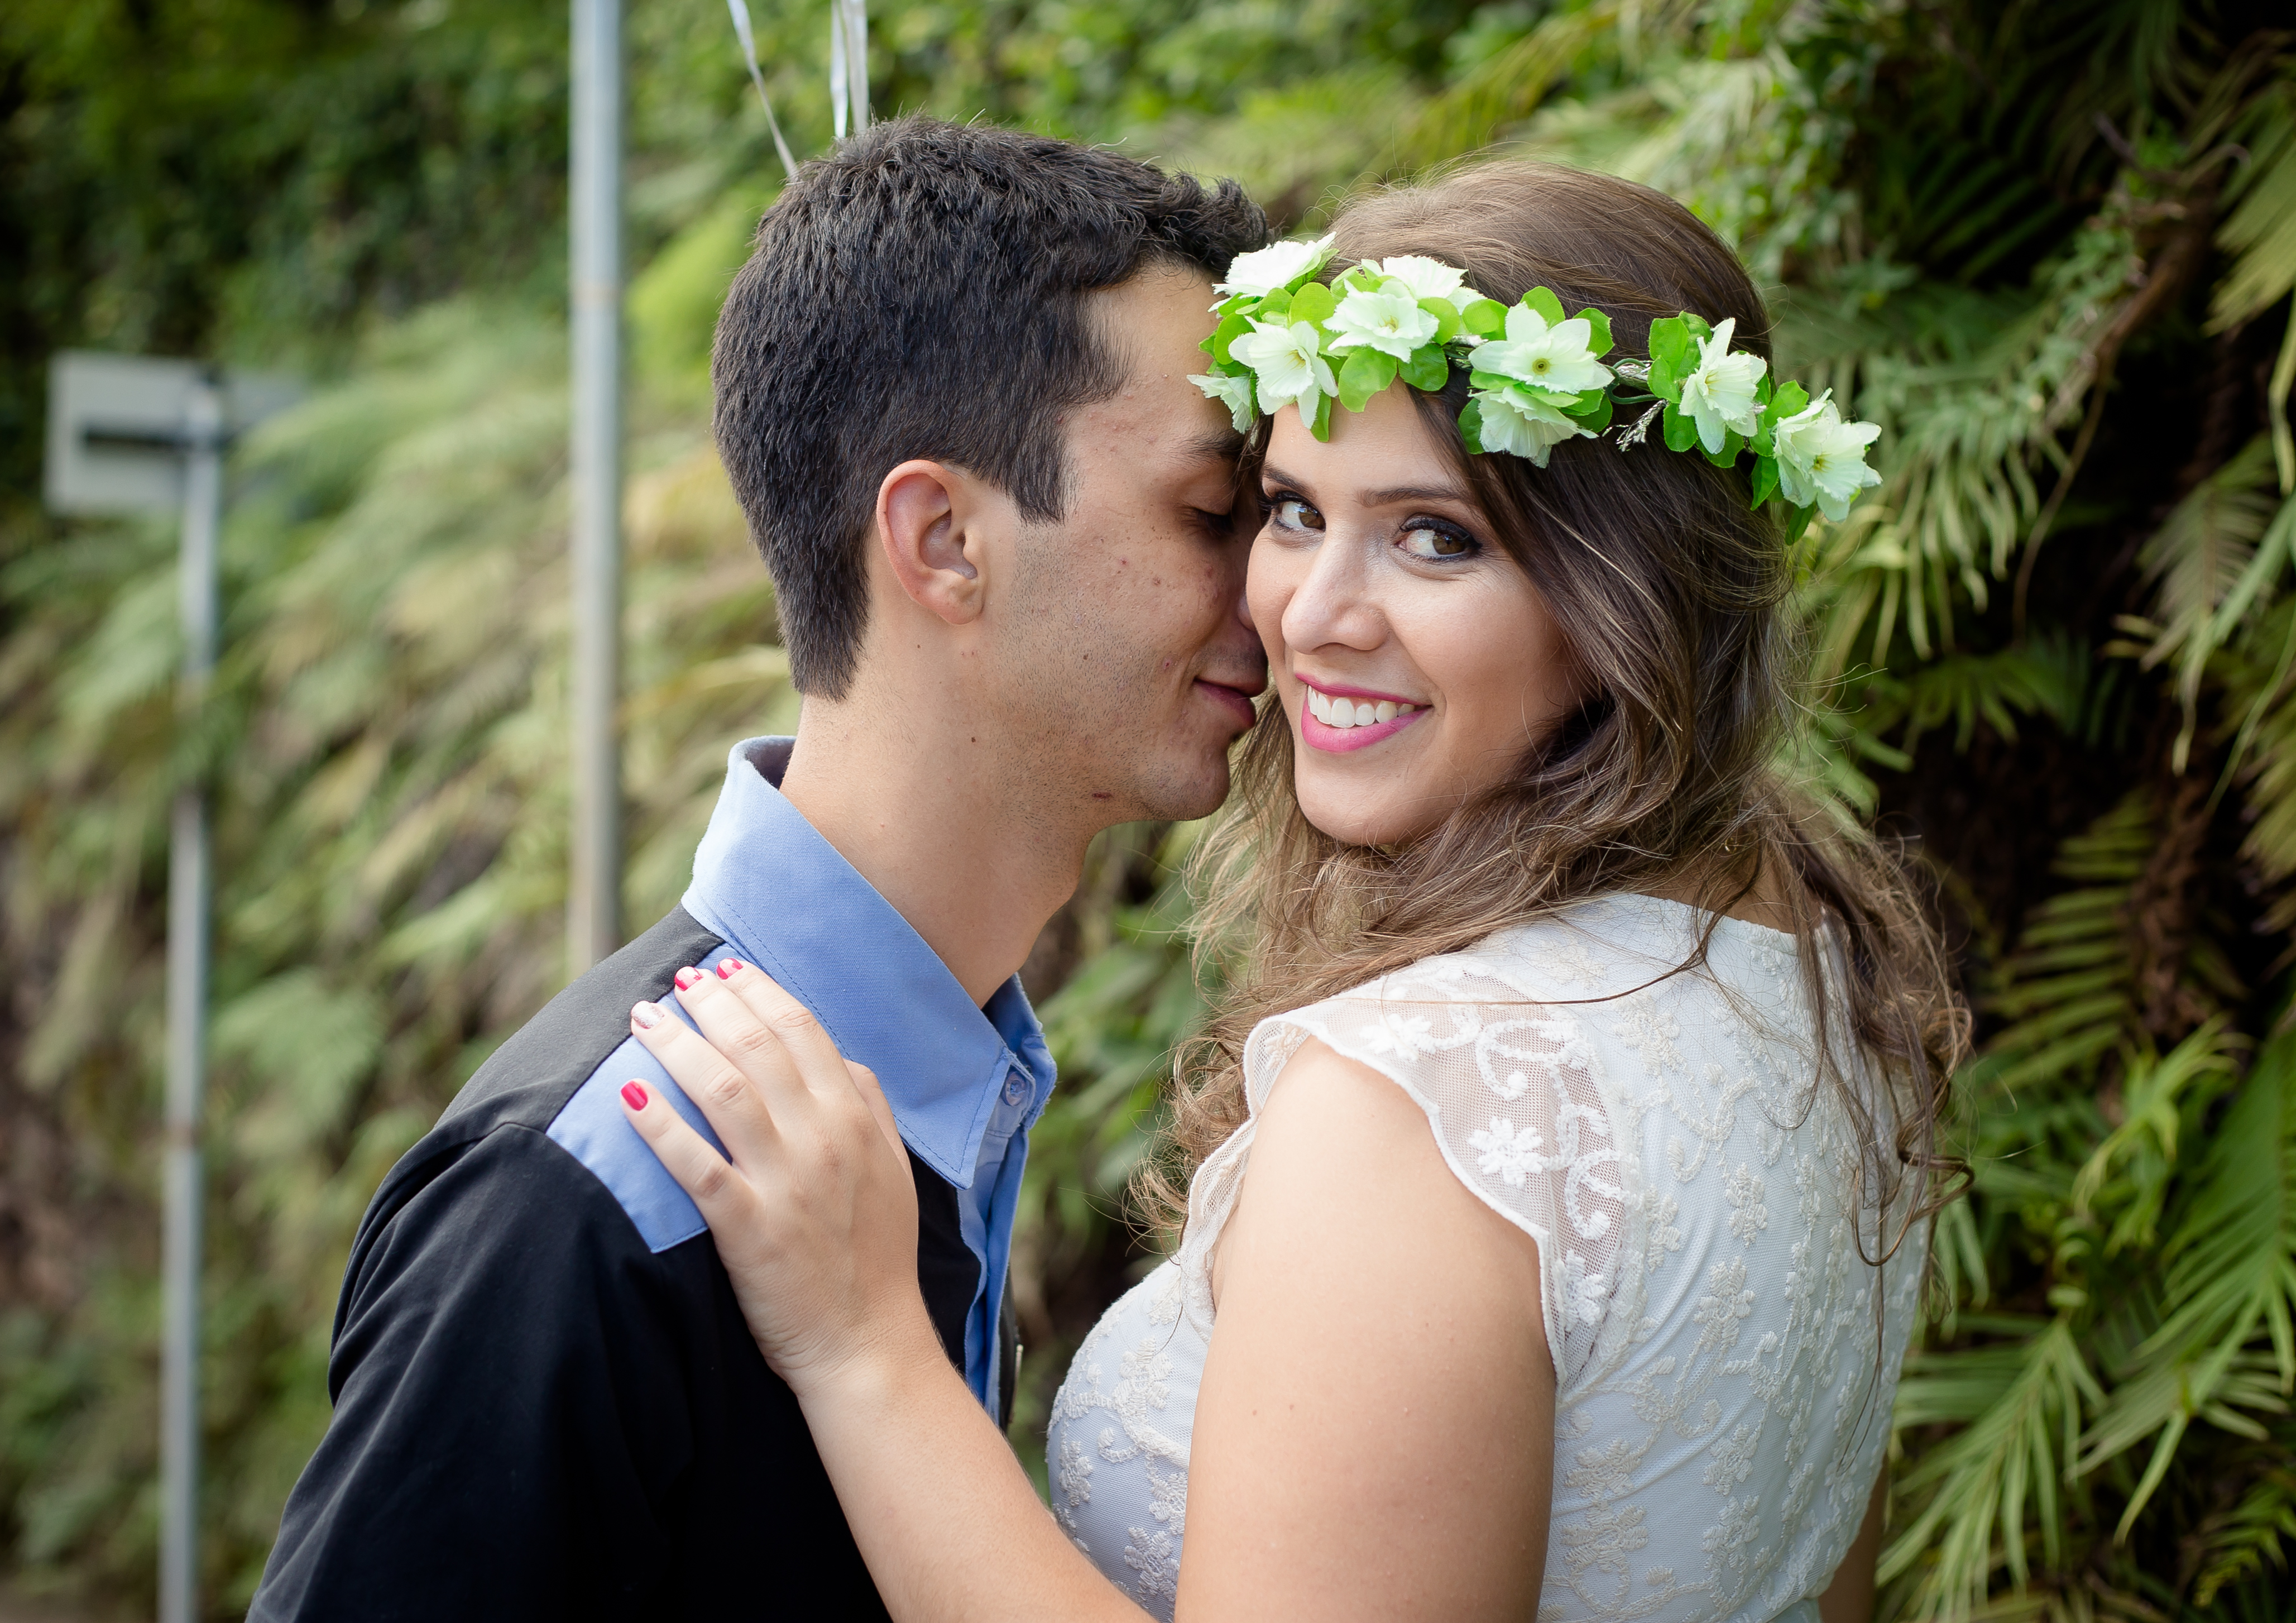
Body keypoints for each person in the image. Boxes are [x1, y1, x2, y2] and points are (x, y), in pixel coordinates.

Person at [610, 161, 1963, 1623]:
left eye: (1436, 536)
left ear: (1625, 594)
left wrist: (865, 1346)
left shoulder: (1439, 1111)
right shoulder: (1820, 991)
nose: (1310, 616)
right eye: (1290, 511)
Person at [246, 119, 1269, 1621]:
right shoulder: (598, 1184)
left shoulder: (944, 1078)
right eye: (1210, 513)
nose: (1283, 586)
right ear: (942, 541)